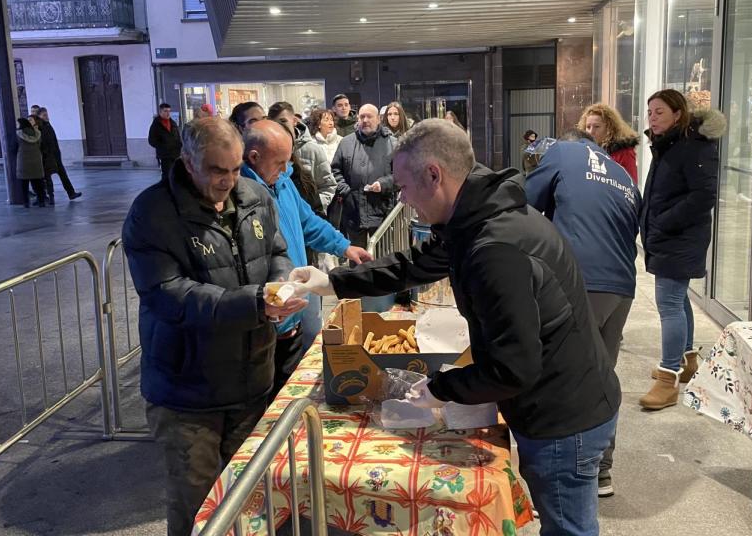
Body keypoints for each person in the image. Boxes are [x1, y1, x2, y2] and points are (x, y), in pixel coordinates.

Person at [292, 119, 620, 536]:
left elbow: (513, 366)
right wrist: (333, 282)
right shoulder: (476, 215)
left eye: (404, 188)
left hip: (563, 415)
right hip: (565, 397)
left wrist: (440, 389)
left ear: (434, 175)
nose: (405, 202)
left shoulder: (494, 247)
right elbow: (414, 265)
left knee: (568, 529)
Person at [122, 116, 306, 536]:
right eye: (217, 170)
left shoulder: (256, 194)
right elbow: (169, 294)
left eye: (237, 168)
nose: (229, 180)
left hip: (251, 379)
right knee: (198, 505)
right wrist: (254, 303)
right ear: (188, 163)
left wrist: (278, 286)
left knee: (249, 498)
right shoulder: (152, 213)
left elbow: (278, 251)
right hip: (187, 394)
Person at [525, 129, 640, 499]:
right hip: (621, 287)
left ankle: (560, 483)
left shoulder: (562, 154)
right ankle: (600, 471)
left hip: (581, 282)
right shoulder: (621, 174)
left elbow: (522, 205)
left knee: (562, 376)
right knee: (601, 377)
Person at [241, 120, 372, 398]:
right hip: (269, 319)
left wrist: (345, 247)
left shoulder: (283, 181)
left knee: (296, 390)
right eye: (279, 162)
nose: (285, 168)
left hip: (295, 308)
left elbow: (308, 222)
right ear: (254, 157)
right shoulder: (244, 194)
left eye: (287, 161)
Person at [639, 89, 725, 410]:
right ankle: (687, 361)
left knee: (669, 304)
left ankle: (668, 377)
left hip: (680, 237)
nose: (652, 117)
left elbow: (703, 196)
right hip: (669, 235)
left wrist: (664, 222)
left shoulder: (693, 146)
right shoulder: (670, 145)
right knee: (679, 299)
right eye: (650, 112)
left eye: (659, 112)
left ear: (678, 113)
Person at [330, 103, 396, 246]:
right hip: (354, 211)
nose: (365, 120)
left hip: (381, 211)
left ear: (378, 119)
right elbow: (335, 171)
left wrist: (383, 184)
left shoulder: (392, 143)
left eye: (369, 116)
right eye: (362, 117)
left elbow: (401, 174)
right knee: (356, 261)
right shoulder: (346, 143)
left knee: (380, 259)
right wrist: (346, 191)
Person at [268, 101, 337, 211]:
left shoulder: (312, 149)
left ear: (294, 121)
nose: (280, 127)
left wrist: (315, 205)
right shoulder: (268, 151)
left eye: (283, 121)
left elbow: (328, 185)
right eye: (275, 123)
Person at [578, 103, 640, 183]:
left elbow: (631, 185)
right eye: (588, 127)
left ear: (609, 128)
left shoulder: (624, 153)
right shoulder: (583, 151)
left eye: (597, 126)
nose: (591, 132)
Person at [37, 107, 82, 201]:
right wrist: (47, 154)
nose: (47, 117)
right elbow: (44, 143)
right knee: (48, 178)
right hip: (48, 157)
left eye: (47, 115)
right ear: (39, 116)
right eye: (44, 115)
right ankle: (50, 197)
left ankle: (71, 193)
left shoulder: (47, 125)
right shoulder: (41, 127)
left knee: (63, 174)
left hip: (55, 156)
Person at [16, 117, 46, 207]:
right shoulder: (37, 133)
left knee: (24, 184)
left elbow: (13, 147)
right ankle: (41, 201)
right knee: (38, 182)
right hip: (36, 160)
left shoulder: (18, 134)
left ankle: (26, 202)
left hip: (23, 161)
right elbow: (41, 145)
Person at [148, 103, 181, 180]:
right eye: (165, 111)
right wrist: (162, 147)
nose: (168, 113)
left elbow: (177, 137)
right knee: (167, 174)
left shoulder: (173, 123)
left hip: (175, 153)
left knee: (175, 174)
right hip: (165, 155)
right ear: (160, 112)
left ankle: (174, 189)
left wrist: (179, 146)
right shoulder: (156, 125)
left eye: (169, 111)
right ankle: (165, 189)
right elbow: (151, 140)